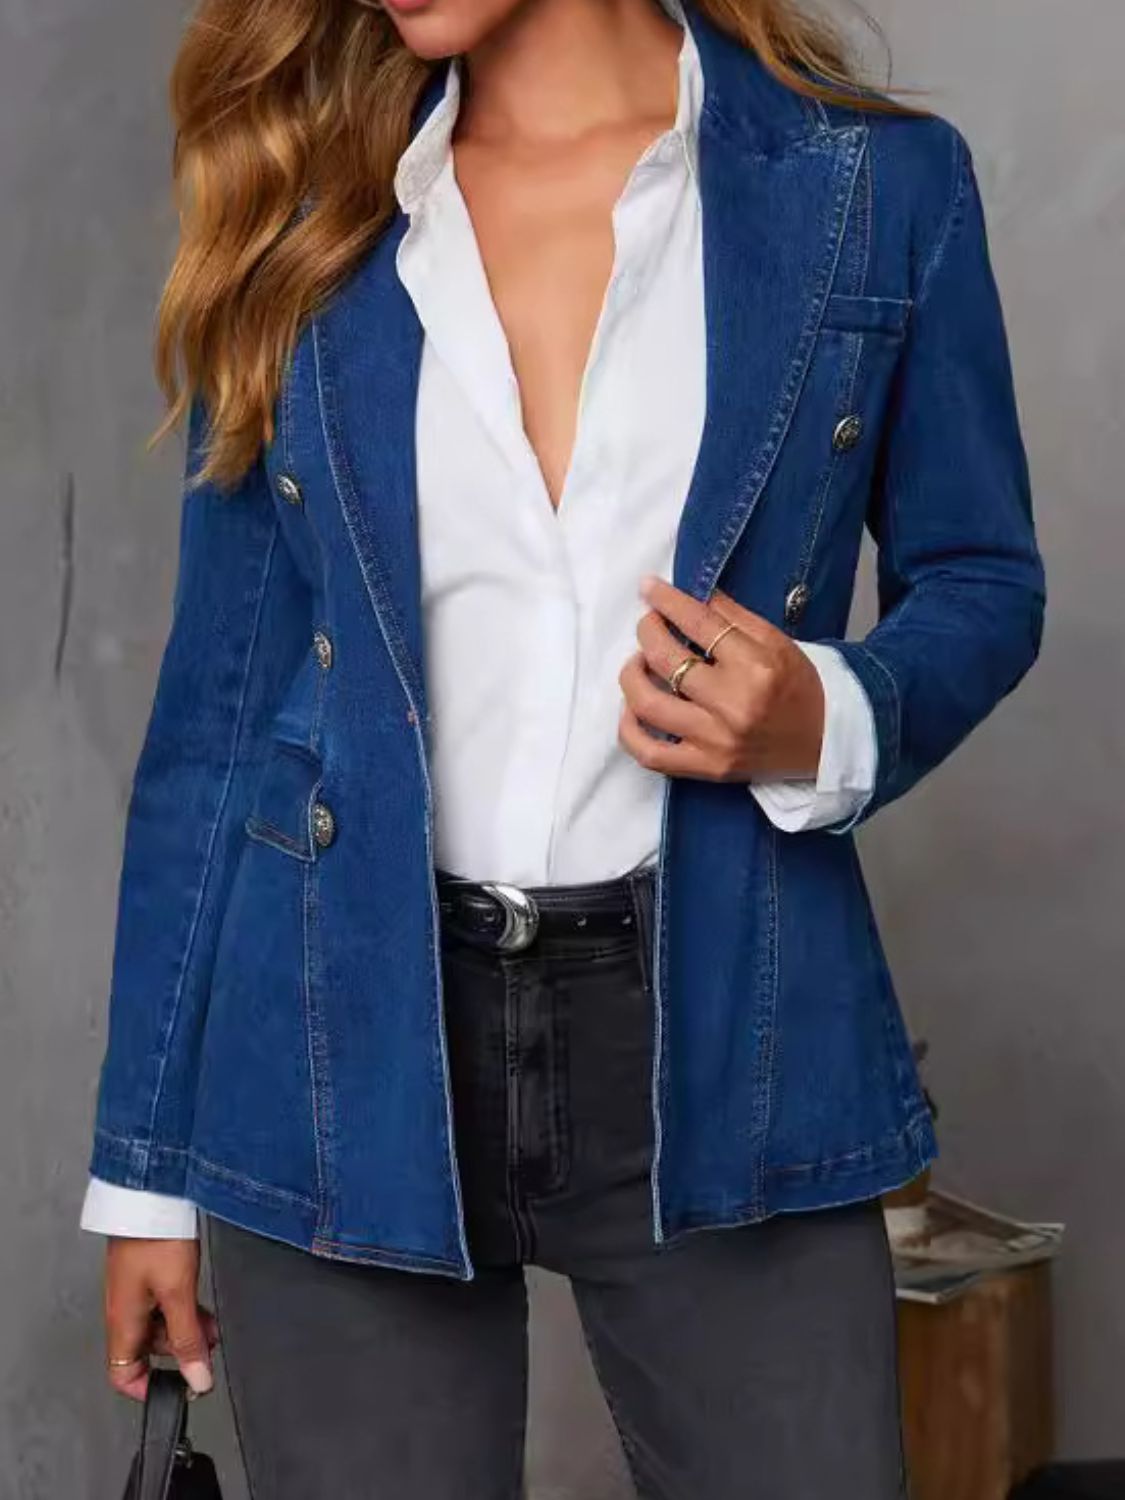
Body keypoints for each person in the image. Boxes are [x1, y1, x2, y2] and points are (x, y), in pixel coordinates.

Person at [81, 0, 1045, 1492]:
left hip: (725, 1018)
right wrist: (144, 1171)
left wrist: (826, 712)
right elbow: (219, 716)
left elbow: (981, 574)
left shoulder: (872, 186)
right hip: (349, 1030)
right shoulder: (310, 210)